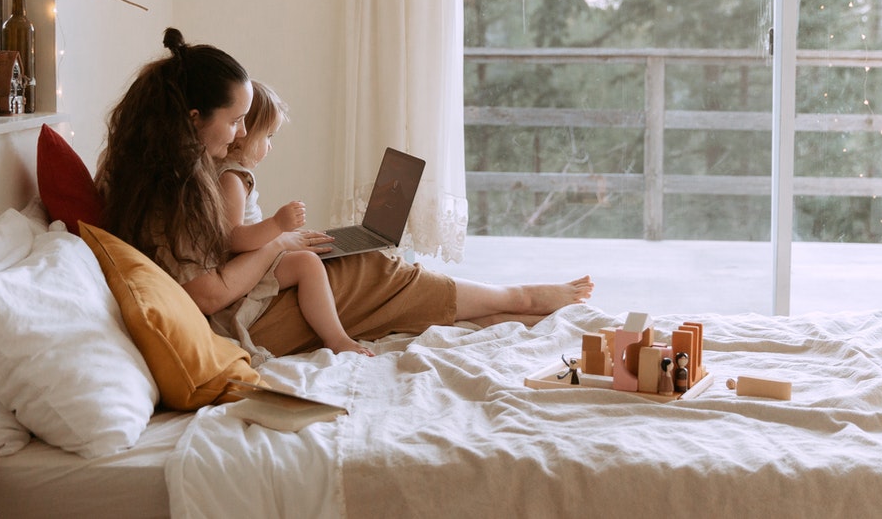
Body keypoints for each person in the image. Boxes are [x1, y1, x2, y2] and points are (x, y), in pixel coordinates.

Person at [96, 27, 593, 361]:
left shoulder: (168, 171)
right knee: (370, 268)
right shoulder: (176, 187)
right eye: (235, 121)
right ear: (193, 120)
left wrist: (279, 243)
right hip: (238, 320)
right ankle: (517, 299)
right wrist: (275, 243)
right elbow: (205, 292)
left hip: (248, 294)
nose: (241, 134)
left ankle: (503, 307)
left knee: (354, 259)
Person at [219, 79, 372, 356]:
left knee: (307, 251)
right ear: (243, 134)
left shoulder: (231, 174)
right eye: (268, 137)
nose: (270, 147)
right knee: (307, 264)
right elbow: (234, 239)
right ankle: (337, 339)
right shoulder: (232, 179)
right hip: (244, 264)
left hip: (253, 257)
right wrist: (277, 226)